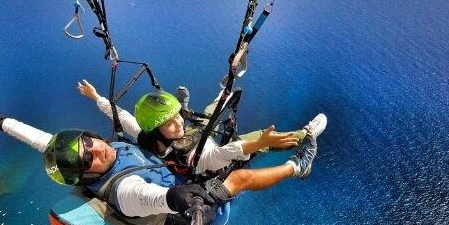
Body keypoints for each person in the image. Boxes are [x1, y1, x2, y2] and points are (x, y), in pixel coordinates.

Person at [0, 103, 319, 225]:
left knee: (217, 152)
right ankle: (297, 167)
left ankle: (268, 145)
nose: (94, 149)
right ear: (85, 175)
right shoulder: (122, 189)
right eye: (87, 159)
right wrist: (176, 196)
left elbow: (41, 139)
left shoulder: (107, 152)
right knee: (238, 177)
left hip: (173, 180)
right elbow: (149, 197)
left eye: (88, 141)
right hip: (180, 213)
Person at [77, 79, 327, 175]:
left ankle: (221, 93)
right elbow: (224, 154)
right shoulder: (190, 158)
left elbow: (118, 114)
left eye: (177, 116)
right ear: (156, 130)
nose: (177, 123)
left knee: (206, 113)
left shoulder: (147, 133)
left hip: (197, 135)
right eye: (170, 121)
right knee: (261, 139)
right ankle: (306, 134)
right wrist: (260, 143)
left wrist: (95, 96)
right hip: (212, 157)